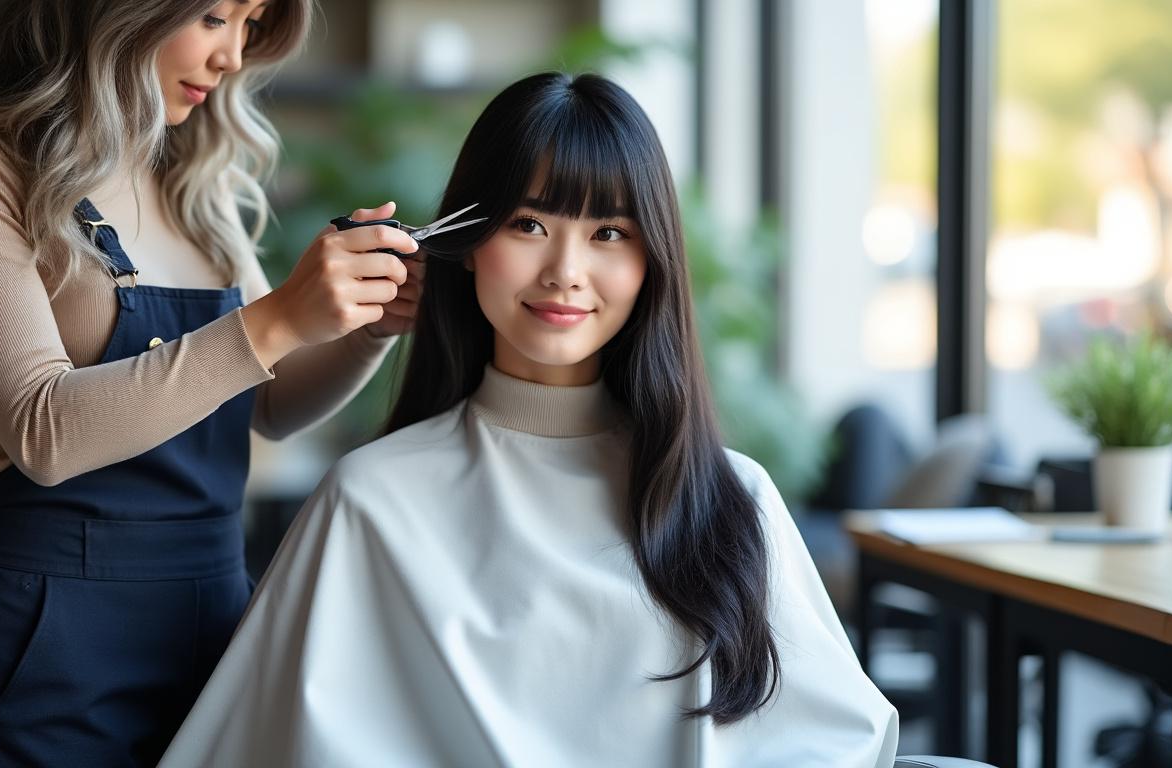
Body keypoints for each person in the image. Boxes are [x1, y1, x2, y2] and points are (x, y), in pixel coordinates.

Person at [159, 72, 900, 767]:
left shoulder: (732, 498)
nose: (565, 271)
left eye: (609, 232)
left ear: (654, 264)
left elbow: (838, 740)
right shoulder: (372, 501)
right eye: (528, 223)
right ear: (466, 244)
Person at [0, 1, 424, 764]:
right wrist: (280, 317)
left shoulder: (192, 180)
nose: (232, 57)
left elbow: (270, 406)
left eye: (249, 26)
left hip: (215, 614)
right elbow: (42, 431)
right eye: (215, 15)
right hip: (48, 637)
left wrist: (368, 326)